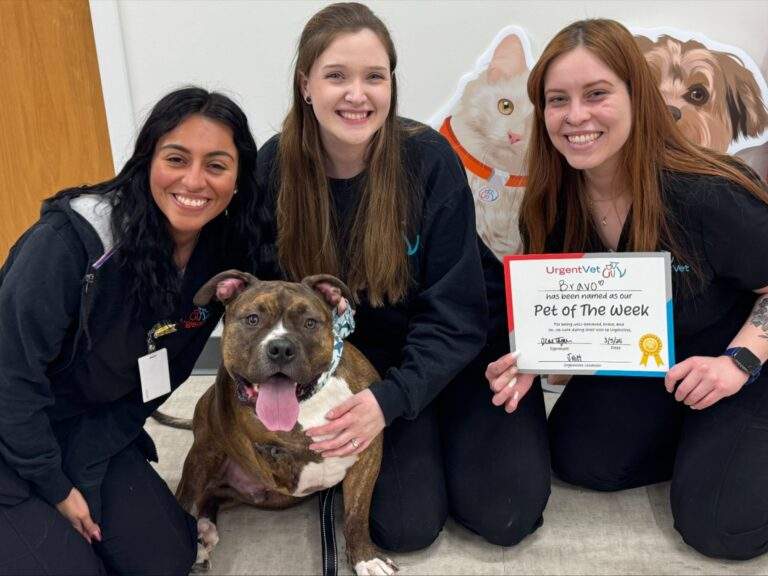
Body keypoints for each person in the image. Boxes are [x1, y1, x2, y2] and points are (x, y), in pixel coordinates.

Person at [255, 2, 550, 552]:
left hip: (464, 349)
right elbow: (266, 303)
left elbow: (458, 315)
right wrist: (375, 398)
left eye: (374, 77)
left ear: (392, 85)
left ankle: (446, 422)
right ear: (305, 85)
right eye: (336, 76)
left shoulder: (428, 161)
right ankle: (424, 429)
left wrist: (395, 401)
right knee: (404, 526)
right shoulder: (273, 169)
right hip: (370, 363)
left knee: (506, 514)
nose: (357, 94)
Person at [485, 18, 768, 560]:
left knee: (721, 526)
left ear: (638, 98)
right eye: (557, 100)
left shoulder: (707, 194)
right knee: (578, 459)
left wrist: (737, 363)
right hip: (660, 364)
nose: (575, 117)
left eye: (596, 95)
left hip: (742, 361)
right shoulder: (554, 199)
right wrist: (537, 354)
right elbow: (568, 314)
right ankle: (705, 445)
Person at [0, 87, 261, 574]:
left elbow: (163, 375)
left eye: (217, 165)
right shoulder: (67, 244)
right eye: (176, 158)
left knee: (165, 559)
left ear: (239, 179)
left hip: (81, 425)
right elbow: (8, 378)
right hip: (8, 425)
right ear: (147, 162)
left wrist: (90, 459)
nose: (194, 180)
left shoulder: (221, 254)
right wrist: (57, 488)